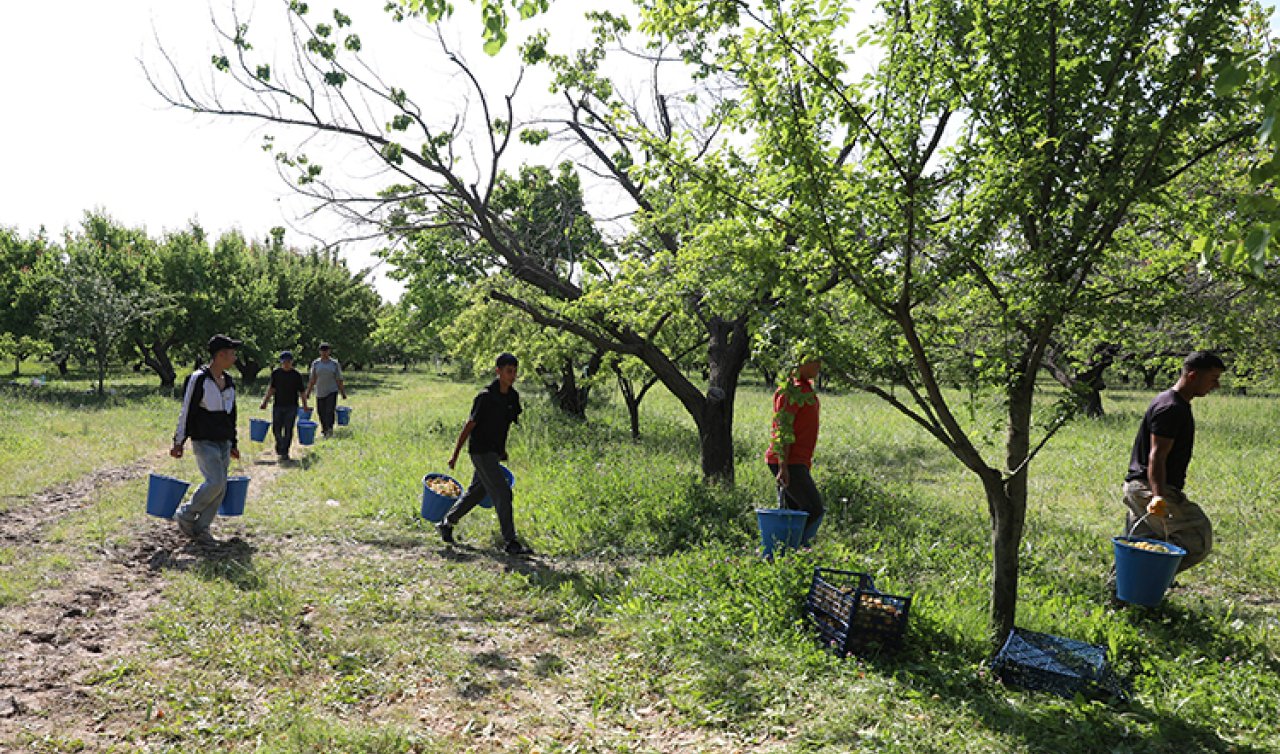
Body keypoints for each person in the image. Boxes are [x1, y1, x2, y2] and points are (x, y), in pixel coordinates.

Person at [1121, 350, 1226, 574]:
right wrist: (1158, 495)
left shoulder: (1172, 402)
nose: (1216, 386)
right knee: (1198, 538)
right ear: (1192, 376)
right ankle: (1148, 579)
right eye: (1213, 379)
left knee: (1140, 546)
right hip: (1148, 489)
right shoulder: (1171, 408)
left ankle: (1127, 596)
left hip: (1140, 486)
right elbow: (1157, 456)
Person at [436, 352, 531, 555]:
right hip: (480, 451)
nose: (512, 375)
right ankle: (510, 542)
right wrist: (455, 454)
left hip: (493, 452)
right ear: (498, 372)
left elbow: (504, 425)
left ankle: (446, 523)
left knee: (478, 492)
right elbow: (469, 425)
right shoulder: (485, 397)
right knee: (503, 492)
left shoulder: (513, 397)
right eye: (508, 371)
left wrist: (502, 449)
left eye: (515, 371)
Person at [170, 334, 242, 545]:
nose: (234, 358)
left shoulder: (228, 381)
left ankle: (202, 529)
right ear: (220, 355)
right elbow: (187, 410)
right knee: (215, 482)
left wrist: (234, 443)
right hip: (204, 440)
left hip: (223, 441)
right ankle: (186, 514)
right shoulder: (198, 379)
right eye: (231, 353)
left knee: (221, 487)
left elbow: (232, 414)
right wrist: (178, 441)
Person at [766, 357, 824, 547]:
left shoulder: (805, 388)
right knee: (813, 509)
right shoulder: (791, 391)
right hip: (788, 461)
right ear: (799, 363)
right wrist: (783, 466)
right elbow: (783, 430)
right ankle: (796, 549)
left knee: (796, 512)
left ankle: (788, 553)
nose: (818, 365)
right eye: (814, 361)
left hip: (797, 461)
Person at [260, 351, 309, 461]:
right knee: (276, 428)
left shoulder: (296, 375)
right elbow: (272, 389)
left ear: (292, 362)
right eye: (284, 362)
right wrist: (265, 402)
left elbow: (302, 392)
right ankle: (280, 444)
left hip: (291, 406)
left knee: (288, 429)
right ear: (281, 362)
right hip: (278, 405)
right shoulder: (276, 374)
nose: (286, 364)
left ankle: (285, 451)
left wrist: (305, 405)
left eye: (288, 362)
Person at [303, 342, 347, 438]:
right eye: (322, 351)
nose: (324, 353)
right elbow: (313, 379)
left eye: (326, 351)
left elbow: (339, 379)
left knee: (329, 410)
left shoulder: (334, 364)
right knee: (321, 411)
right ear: (320, 352)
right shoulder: (316, 363)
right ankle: (324, 428)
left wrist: (342, 392)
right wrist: (308, 392)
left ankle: (329, 429)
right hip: (320, 391)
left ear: (329, 351)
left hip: (332, 390)